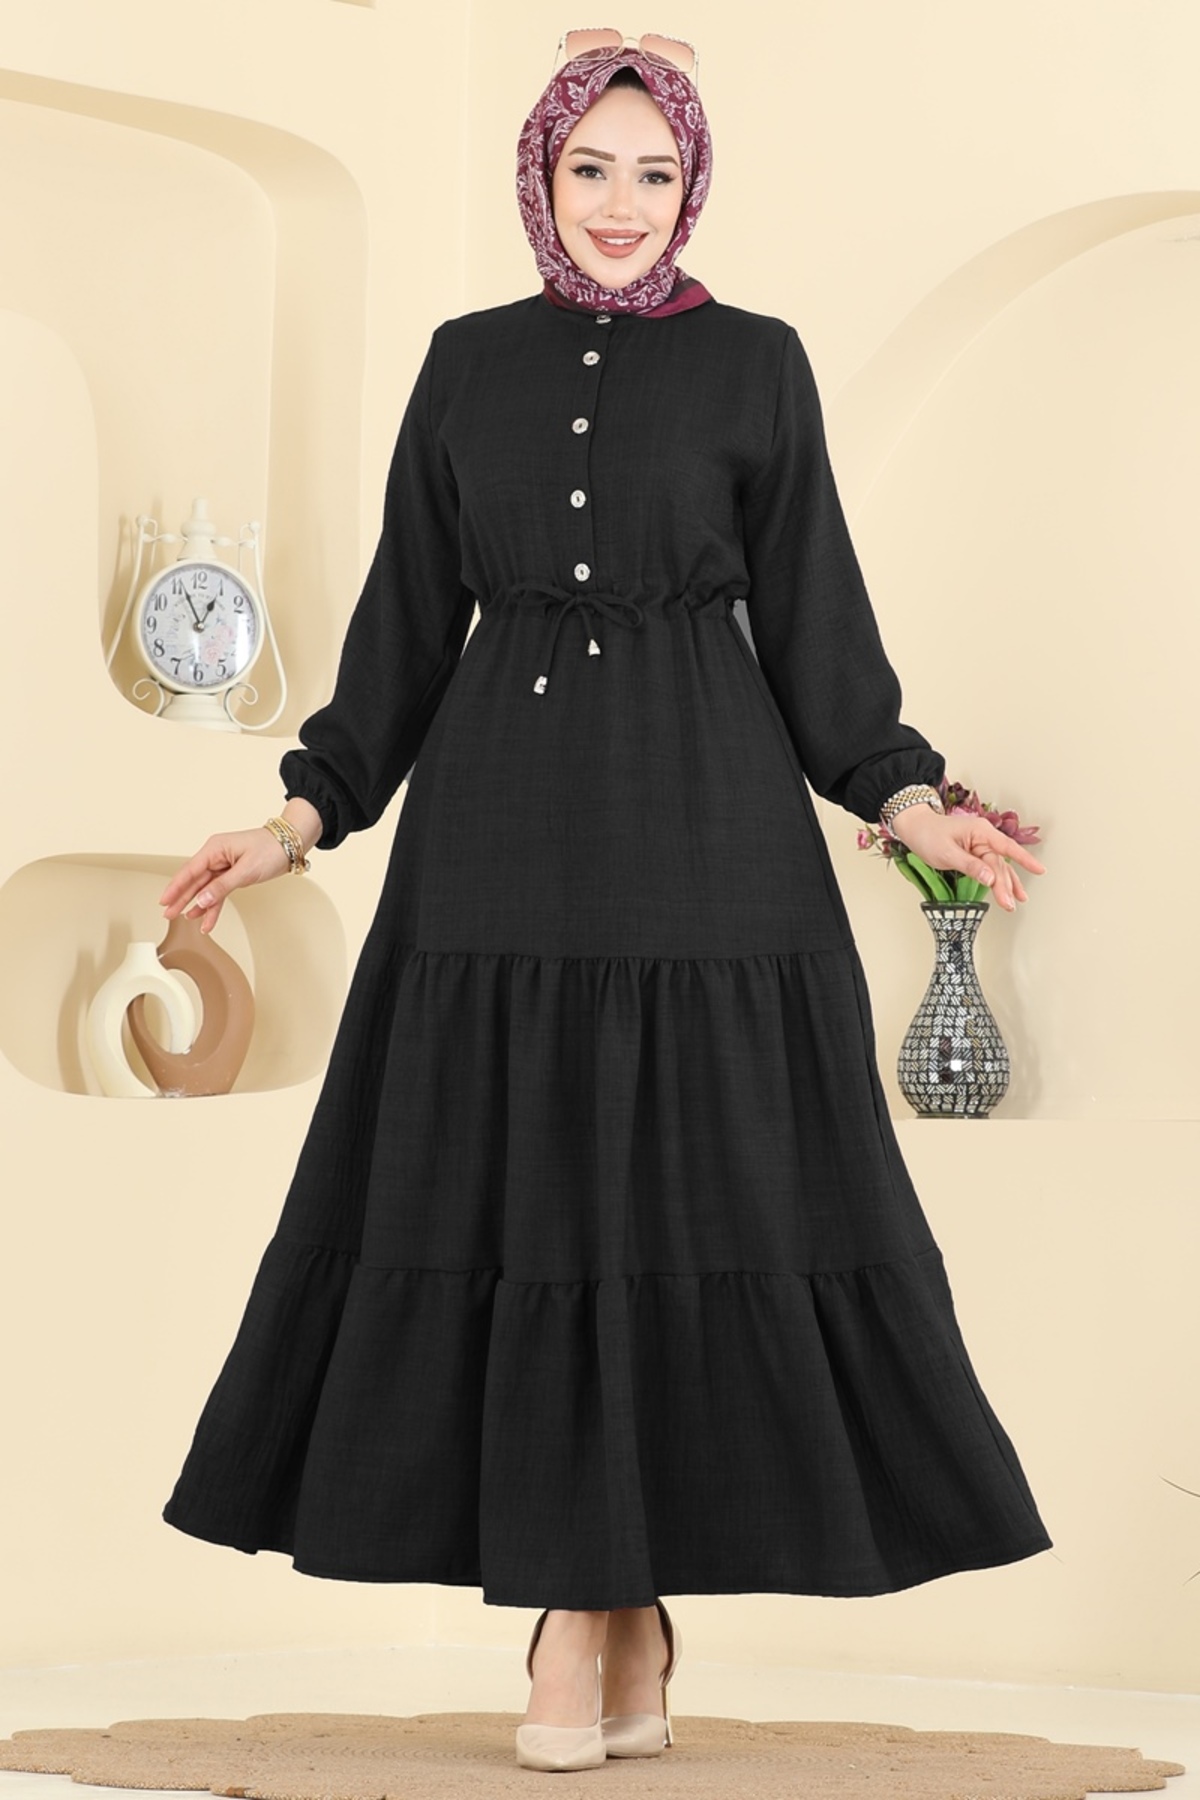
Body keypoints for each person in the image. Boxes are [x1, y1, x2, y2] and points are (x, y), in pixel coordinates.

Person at [159, 31, 1052, 1776]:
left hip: (710, 843)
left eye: (657, 172)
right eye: (592, 169)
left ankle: (594, 1622)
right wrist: (298, 819)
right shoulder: (465, 364)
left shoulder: (757, 363)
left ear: (693, 184)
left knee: (687, 1204)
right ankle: (603, 1616)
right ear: (541, 176)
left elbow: (818, 621)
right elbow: (405, 623)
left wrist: (911, 798)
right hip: (493, 844)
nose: (623, 204)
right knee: (530, 1206)